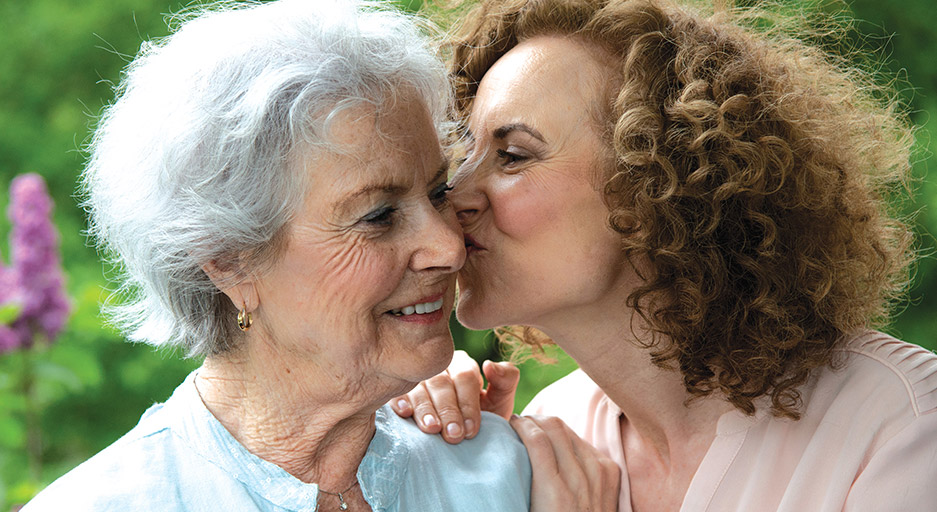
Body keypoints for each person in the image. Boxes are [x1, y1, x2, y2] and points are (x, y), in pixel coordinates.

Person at [393, 0, 937, 510]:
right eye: (463, 154)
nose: (453, 196)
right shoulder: (553, 432)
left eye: (512, 156)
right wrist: (472, 471)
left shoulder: (903, 425)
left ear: (658, 183)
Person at [21, 1, 535, 510]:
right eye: (378, 215)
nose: (448, 247)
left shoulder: (507, 474)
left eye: (439, 192)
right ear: (229, 262)